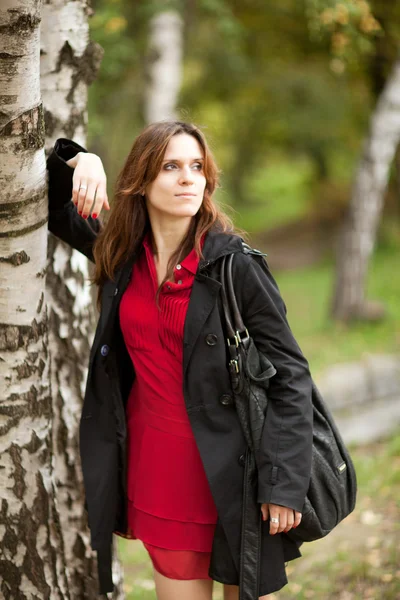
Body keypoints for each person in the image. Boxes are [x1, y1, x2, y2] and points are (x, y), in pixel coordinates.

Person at [46, 120, 313, 600]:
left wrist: (284, 482)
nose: (189, 178)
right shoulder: (122, 254)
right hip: (160, 475)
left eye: (197, 167)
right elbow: (50, 202)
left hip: (240, 477)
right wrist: (79, 158)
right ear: (142, 180)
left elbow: (291, 375)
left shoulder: (236, 266)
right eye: (171, 167)